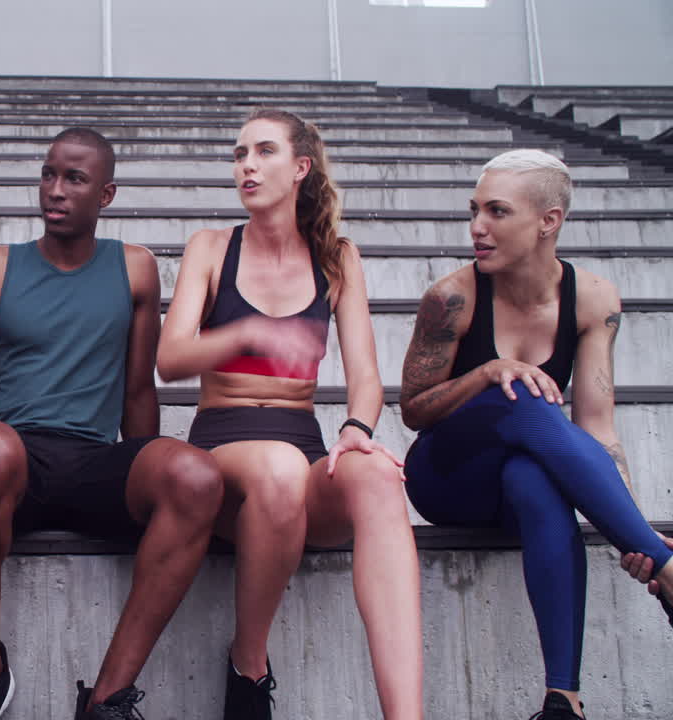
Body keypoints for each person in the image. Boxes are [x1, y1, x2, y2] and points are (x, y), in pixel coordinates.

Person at [0, 127, 223, 720]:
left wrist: (150, 495)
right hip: (13, 464)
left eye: (74, 179)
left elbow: (138, 392)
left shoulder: (133, 270)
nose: (54, 190)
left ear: (104, 195)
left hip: (94, 464)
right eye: (48, 174)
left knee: (197, 476)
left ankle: (108, 698)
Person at [156, 108, 422, 720]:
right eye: (240, 153)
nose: (246, 164)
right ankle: (248, 664)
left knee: (381, 476)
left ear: (300, 167)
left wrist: (355, 431)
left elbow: (366, 379)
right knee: (276, 469)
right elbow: (171, 359)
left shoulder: (337, 257)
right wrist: (247, 334)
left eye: (264, 151)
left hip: (301, 457)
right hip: (225, 454)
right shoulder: (211, 248)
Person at [399, 149, 673, 720]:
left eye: (498, 212)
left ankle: (562, 699)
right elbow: (414, 410)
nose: (478, 226)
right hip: (446, 476)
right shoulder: (452, 297)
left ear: (548, 220)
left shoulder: (593, 299)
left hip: (515, 484)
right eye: (475, 210)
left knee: (534, 478)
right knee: (520, 392)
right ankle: (664, 563)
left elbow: (597, 425)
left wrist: (618, 507)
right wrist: (486, 373)